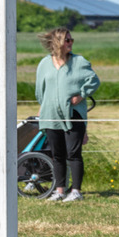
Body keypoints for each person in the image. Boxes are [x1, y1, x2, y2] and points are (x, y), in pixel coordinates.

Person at [35, 28, 100, 202]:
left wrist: (81, 96)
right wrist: (45, 105)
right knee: (57, 155)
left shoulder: (79, 62)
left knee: (74, 153)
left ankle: (76, 191)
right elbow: (39, 91)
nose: (71, 43)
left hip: (73, 115)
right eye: (67, 40)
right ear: (58, 42)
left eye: (71, 40)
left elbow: (94, 81)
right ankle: (60, 190)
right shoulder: (44, 64)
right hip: (51, 115)